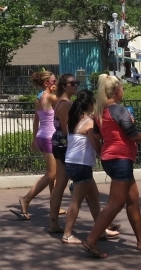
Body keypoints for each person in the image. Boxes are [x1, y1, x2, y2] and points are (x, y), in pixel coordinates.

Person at [81, 74, 141, 258]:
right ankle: (91, 240)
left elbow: (98, 134)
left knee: (133, 199)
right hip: (120, 158)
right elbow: (133, 135)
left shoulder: (101, 111)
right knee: (115, 204)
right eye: (122, 88)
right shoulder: (118, 109)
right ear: (116, 91)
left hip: (111, 158)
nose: (123, 91)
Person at [60, 89, 121, 244]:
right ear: (90, 105)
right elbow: (97, 146)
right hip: (81, 165)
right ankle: (67, 234)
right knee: (76, 201)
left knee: (94, 198)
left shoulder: (73, 120)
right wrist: (107, 155)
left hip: (72, 163)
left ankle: (101, 229)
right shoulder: (89, 124)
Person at [15, 72, 59, 220]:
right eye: (54, 81)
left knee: (53, 175)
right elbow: (65, 103)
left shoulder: (38, 98)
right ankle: (26, 199)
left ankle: (54, 206)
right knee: (52, 174)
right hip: (49, 137)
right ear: (47, 83)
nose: (56, 83)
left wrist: (34, 139)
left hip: (41, 136)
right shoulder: (51, 97)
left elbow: (36, 121)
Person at [48, 74, 77, 233]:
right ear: (64, 86)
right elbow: (67, 130)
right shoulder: (65, 104)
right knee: (84, 184)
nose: (76, 85)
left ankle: (53, 222)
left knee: (60, 184)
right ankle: (102, 223)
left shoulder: (61, 101)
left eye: (76, 83)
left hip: (58, 144)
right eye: (72, 83)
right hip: (65, 145)